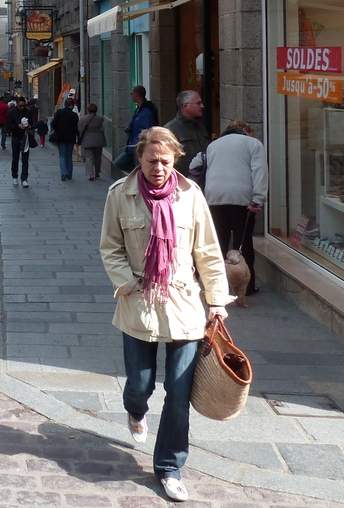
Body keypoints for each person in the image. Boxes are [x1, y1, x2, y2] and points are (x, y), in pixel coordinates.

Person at [99, 126, 232, 503]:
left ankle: (169, 467)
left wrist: (216, 299)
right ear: (139, 159)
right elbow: (110, 247)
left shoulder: (191, 195)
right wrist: (128, 284)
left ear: (175, 159)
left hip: (185, 304)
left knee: (178, 392)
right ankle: (135, 410)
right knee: (140, 386)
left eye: (165, 161)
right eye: (151, 160)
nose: (158, 168)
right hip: (139, 301)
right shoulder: (120, 196)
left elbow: (207, 251)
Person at [191, 120, 267, 297]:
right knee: (243, 243)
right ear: (244, 130)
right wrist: (258, 198)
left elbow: (194, 165)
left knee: (218, 242)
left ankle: (218, 284)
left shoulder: (213, 145)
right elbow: (260, 171)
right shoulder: (253, 144)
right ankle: (247, 287)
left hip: (214, 197)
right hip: (242, 198)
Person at [165, 91, 209, 179]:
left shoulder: (200, 126)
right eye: (198, 103)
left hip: (204, 181)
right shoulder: (170, 129)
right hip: (183, 183)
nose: (202, 106)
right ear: (185, 106)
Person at [116, 85, 159, 174]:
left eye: (131, 94)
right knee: (118, 163)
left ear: (135, 95)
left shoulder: (147, 112)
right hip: (132, 146)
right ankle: (138, 174)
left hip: (138, 147)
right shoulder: (139, 109)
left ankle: (140, 177)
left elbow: (148, 130)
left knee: (137, 168)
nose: (131, 95)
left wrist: (142, 146)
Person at [7, 96, 38, 187]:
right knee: (15, 157)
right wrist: (17, 126)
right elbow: (8, 126)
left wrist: (29, 126)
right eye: (20, 106)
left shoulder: (28, 111)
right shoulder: (11, 112)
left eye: (23, 105)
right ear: (17, 104)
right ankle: (14, 176)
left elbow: (32, 124)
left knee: (25, 159)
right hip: (16, 136)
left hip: (25, 137)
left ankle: (24, 178)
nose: (22, 107)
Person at [78, 102, 112, 181]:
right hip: (99, 139)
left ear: (88, 110)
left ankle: (91, 174)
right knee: (98, 157)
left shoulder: (83, 119)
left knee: (89, 157)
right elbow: (106, 123)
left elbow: (80, 130)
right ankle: (97, 172)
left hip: (87, 139)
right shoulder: (100, 118)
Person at [50, 98, 81, 181]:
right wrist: (78, 137)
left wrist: (57, 130)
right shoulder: (74, 115)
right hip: (71, 137)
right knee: (69, 155)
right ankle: (69, 174)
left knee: (62, 155)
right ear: (72, 105)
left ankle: (64, 172)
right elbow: (76, 127)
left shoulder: (59, 112)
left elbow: (53, 123)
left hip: (61, 137)